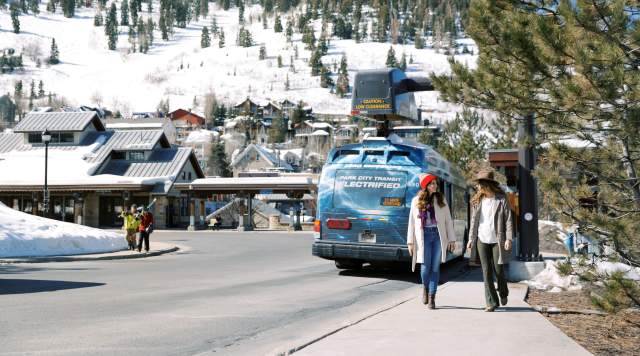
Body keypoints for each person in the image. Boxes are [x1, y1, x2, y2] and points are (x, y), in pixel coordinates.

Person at [466, 168, 514, 312]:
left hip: (497, 240)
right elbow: (474, 221)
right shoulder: (477, 200)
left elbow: (508, 219)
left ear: (486, 184)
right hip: (482, 239)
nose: (477, 187)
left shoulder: (501, 198)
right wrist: (471, 239)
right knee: (486, 271)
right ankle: (491, 302)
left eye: (479, 184)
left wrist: (508, 238)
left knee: (498, 270)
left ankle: (503, 292)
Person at [407, 173, 457, 309]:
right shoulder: (416, 201)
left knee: (435, 267)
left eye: (435, 183)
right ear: (425, 186)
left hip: (437, 237)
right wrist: (410, 242)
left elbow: (448, 220)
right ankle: (425, 287)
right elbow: (411, 222)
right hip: (424, 237)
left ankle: (432, 297)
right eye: (432, 183)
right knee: (425, 268)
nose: (435, 185)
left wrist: (452, 239)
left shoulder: (441, 200)